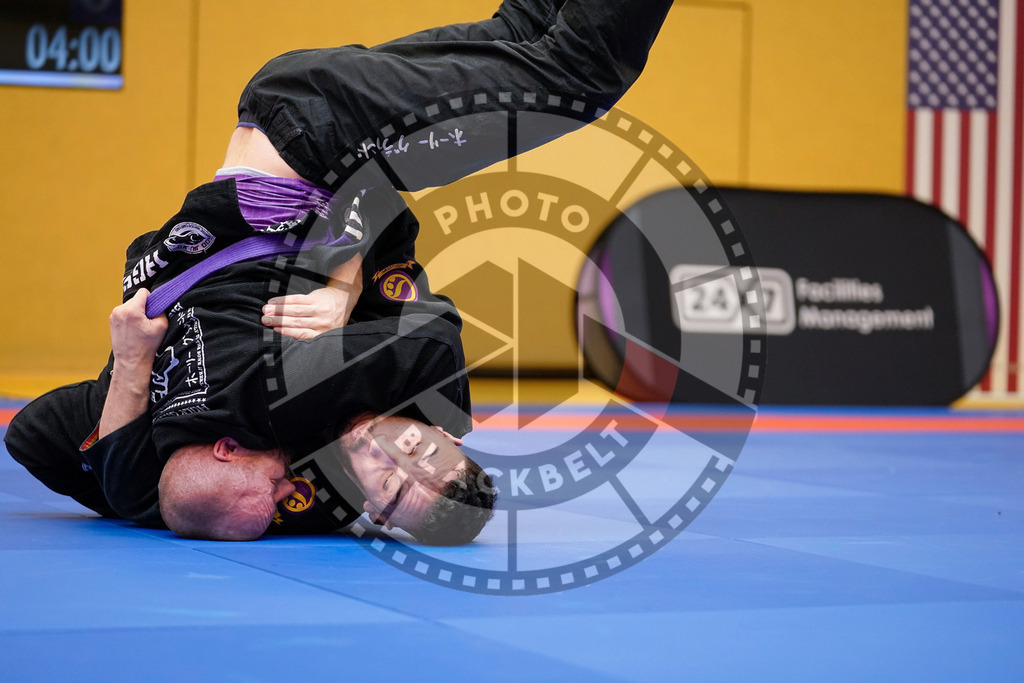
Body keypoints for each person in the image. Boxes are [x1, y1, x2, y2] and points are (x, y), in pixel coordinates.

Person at [5, 0, 674, 542]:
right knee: (528, 39)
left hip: (316, 133)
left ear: (228, 452)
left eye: (392, 479)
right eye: (418, 447)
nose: (392, 456)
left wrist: (132, 374)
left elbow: (32, 435)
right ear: (439, 429)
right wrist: (342, 283)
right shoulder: (394, 393)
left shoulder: (269, 434)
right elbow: (383, 207)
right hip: (327, 142)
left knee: (575, 77)